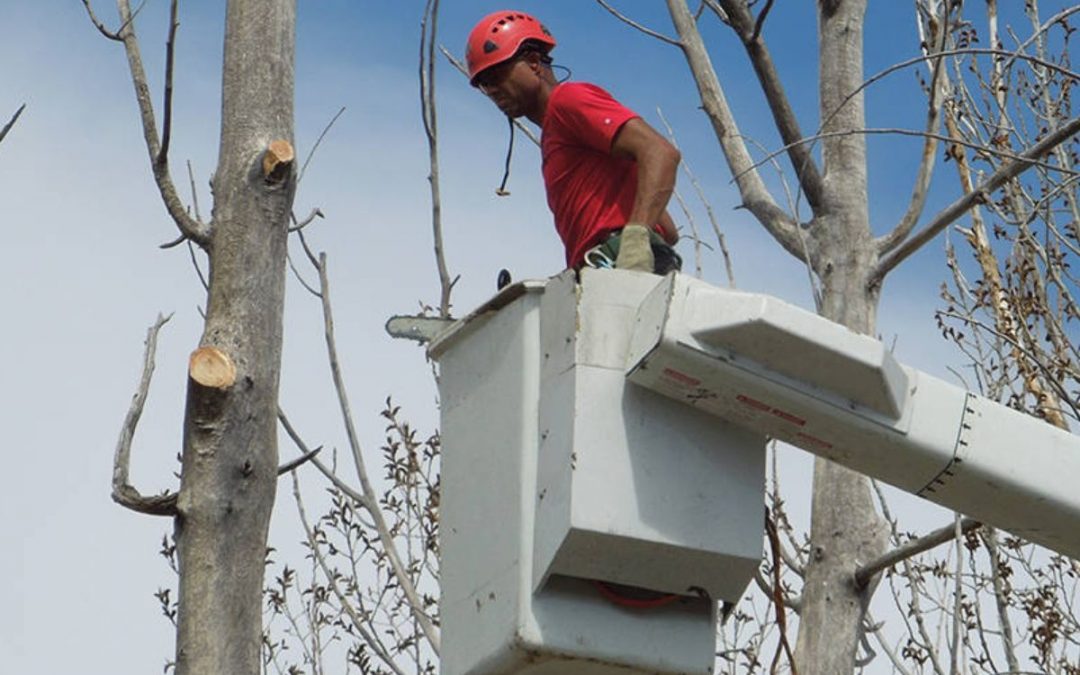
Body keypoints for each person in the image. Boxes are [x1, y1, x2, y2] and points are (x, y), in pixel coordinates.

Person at [466, 10, 682, 275]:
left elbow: (659, 152)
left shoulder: (568, 100)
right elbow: (668, 231)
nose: (492, 90)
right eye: (484, 85)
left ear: (534, 62)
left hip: (623, 267)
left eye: (496, 76)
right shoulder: (558, 137)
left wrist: (636, 241)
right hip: (600, 269)